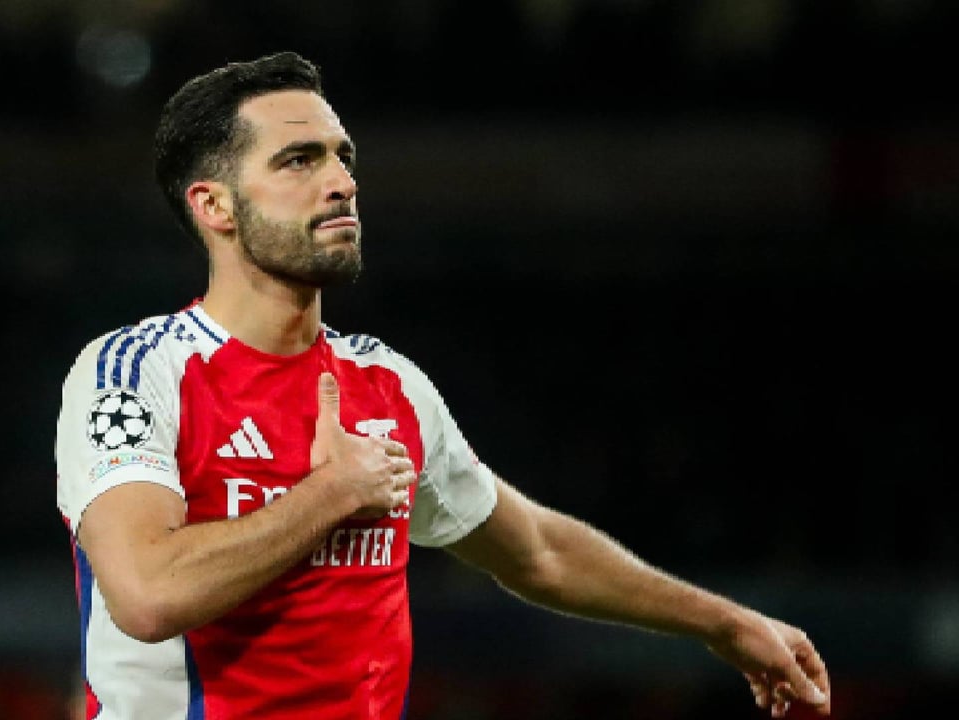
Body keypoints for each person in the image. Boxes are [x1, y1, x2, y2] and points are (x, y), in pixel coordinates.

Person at [54, 51, 831, 720]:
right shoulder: (134, 374)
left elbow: (536, 551)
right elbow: (147, 595)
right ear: (214, 205)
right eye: (299, 161)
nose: (341, 182)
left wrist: (724, 623)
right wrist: (331, 495)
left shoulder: (387, 385)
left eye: (342, 157)